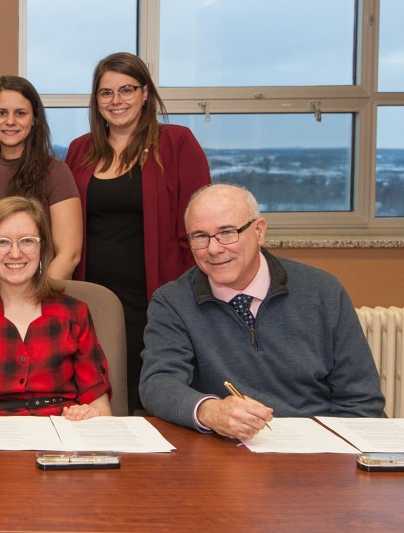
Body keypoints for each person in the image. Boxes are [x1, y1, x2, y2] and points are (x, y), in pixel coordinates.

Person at [140, 184, 384, 441]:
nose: (213, 249)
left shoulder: (323, 292)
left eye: (227, 232)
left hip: (317, 448)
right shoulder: (173, 301)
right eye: (200, 236)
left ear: (259, 232)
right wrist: (209, 411)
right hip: (224, 452)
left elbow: (361, 399)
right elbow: (158, 384)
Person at [65, 52, 211, 415]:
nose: (116, 101)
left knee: (152, 392)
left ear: (145, 93)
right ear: (95, 100)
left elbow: (198, 227)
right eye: (105, 92)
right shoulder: (80, 150)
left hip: (154, 294)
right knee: (99, 393)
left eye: (126, 90)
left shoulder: (177, 143)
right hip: (94, 296)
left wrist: (187, 294)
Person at [0, 196, 112, 435]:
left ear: (42, 248)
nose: (16, 253)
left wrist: (90, 414)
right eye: (2, 243)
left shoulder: (74, 312)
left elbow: (99, 404)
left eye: (27, 241)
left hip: (64, 436)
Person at [0, 76, 81, 297]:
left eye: (20, 113)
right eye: (2, 113)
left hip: (40, 299)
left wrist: (30, 302)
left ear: (34, 119)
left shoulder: (56, 173)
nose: (10, 121)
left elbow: (69, 253)